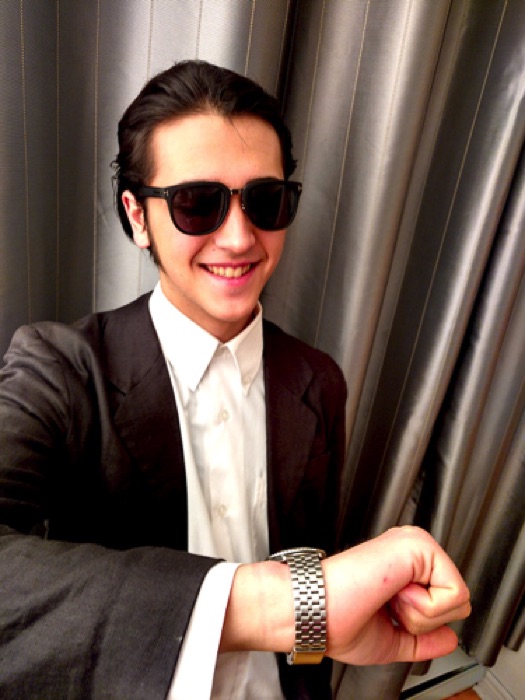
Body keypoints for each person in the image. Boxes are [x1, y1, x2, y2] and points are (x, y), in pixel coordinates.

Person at [0, 60, 470, 699]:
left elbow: (306, 554)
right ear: (137, 217)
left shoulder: (317, 380)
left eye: (265, 201)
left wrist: (320, 620)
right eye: (198, 203)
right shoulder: (57, 371)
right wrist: (285, 606)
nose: (240, 237)